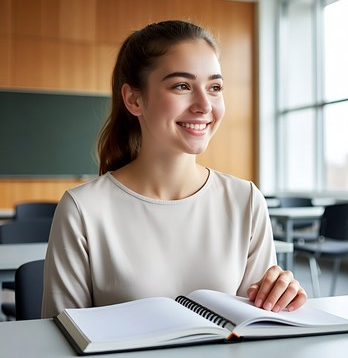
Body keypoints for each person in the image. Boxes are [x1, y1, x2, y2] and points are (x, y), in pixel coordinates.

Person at [42, 20, 307, 318]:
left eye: (215, 87)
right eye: (182, 86)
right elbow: (59, 340)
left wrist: (278, 296)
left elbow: (256, 324)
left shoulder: (245, 199)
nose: (204, 104)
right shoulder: (82, 209)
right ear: (134, 99)